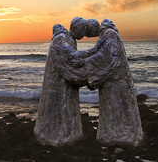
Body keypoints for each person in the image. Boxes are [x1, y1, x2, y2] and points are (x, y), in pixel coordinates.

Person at [84, 18, 143, 146]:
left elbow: (110, 59)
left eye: (88, 33)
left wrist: (90, 68)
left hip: (115, 81)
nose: (88, 36)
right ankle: (115, 136)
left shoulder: (110, 35)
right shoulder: (107, 35)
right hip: (112, 80)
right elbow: (103, 56)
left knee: (118, 108)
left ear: (93, 27)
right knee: (115, 109)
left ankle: (122, 137)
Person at [34, 18, 89, 146]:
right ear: (77, 28)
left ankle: (66, 133)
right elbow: (69, 57)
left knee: (64, 108)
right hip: (57, 83)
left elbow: (71, 59)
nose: (83, 35)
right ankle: (55, 135)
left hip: (62, 83)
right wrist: (92, 55)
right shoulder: (61, 39)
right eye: (83, 31)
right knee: (57, 108)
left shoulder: (70, 39)